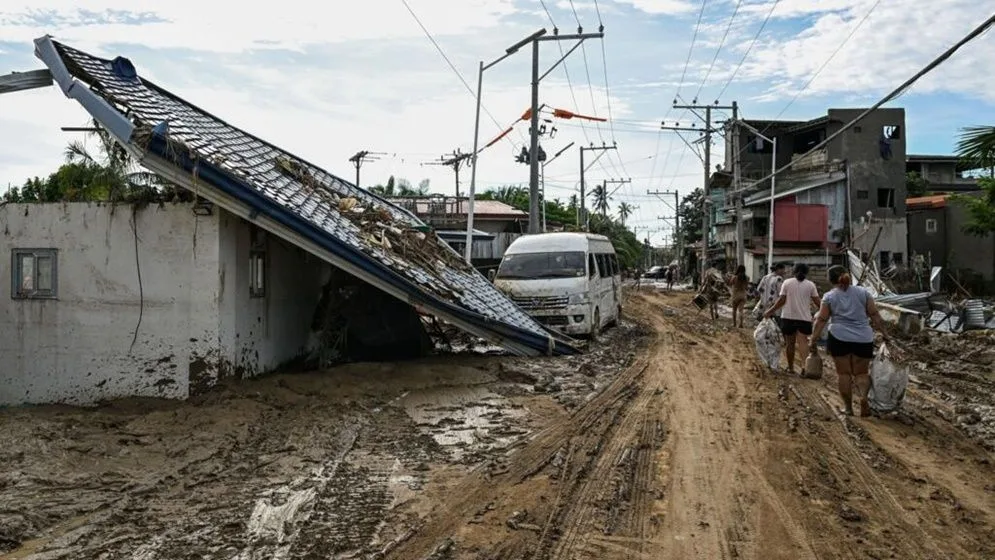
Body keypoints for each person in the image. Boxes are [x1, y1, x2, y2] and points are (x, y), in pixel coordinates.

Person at [810, 265, 890, 417]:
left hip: (839, 337)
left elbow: (821, 319)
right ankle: (863, 397)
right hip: (863, 338)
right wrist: (885, 334)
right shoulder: (864, 292)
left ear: (831, 280)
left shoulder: (829, 296)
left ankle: (848, 408)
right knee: (861, 373)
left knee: (844, 374)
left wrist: (813, 339)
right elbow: (874, 315)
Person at [764, 263, 821, 375]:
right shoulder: (810, 285)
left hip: (788, 317)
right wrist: (825, 312)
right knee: (803, 343)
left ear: (794, 271)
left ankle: (790, 368)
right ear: (806, 272)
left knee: (790, 344)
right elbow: (818, 302)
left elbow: (781, 300)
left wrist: (770, 311)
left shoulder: (787, 282)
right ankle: (804, 368)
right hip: (804, 318)